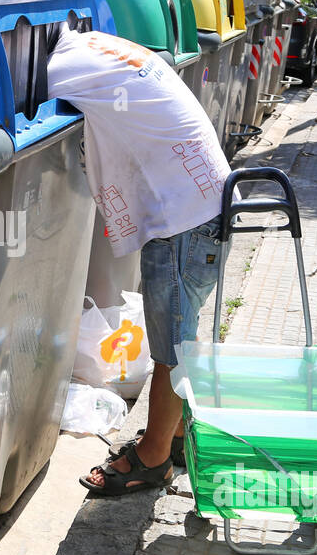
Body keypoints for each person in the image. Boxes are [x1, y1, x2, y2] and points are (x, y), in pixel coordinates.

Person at [46, 27, 230, 496]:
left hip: (183, 221)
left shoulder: (66, 66)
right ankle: (175, 435)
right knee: (179, 337)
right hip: (207, 207)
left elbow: (19, 102)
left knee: (171, 348)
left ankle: (153, 459)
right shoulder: (101, 49)